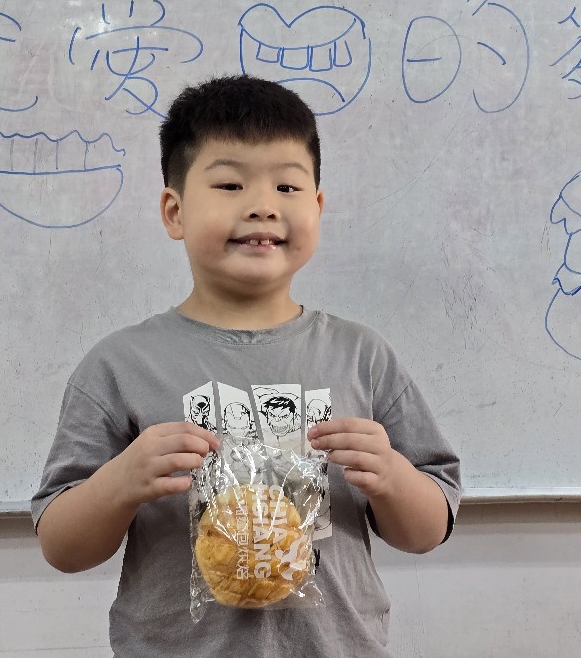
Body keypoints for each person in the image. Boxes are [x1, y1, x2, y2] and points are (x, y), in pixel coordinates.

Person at [32, 74, 461, 657]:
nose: (262, 205)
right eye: (231, 184)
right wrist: (122, 481)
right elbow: (62, 547)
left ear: (317, 207)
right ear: (174, 211)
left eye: (287, 186)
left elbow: (427, 530)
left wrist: (390, 475)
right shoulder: (120, 365)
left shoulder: (362, 356)